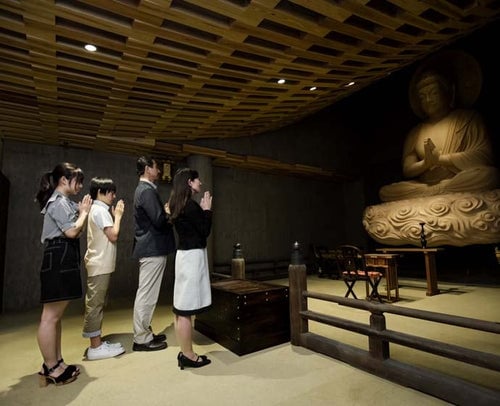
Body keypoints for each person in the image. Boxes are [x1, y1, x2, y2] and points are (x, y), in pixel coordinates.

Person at [379, 62, 499, 202]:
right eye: (423, 97)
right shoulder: (416, 131)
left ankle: (435, 192)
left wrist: (440, 159)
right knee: (387, 191)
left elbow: (483, 156)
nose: (428, 100)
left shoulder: (468, 119)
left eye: (434, 93)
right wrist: (426, 163)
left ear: (450, 92)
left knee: (489, 175)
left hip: (457, 181)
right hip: (425, 185)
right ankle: (435, 192)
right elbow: (407, 169)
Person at [35, 162, 92, 386]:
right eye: (77, 181)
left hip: (63, 255)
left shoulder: (65, 202)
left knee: (55, 316)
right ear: (63, 180)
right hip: (58, 255)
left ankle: (56, 362)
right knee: (50, 316)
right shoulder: (57, 202)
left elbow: (75, 230)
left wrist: (81, 213)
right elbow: (71, 231)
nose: (80, 186)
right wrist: (84, 213)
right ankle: (50, 367)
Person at [168, 168, 213, 370]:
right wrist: (207, 211)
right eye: (197, 180)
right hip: (193, 257)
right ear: (189, 182)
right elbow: (204, 231)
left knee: (180, 308)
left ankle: (185, 351)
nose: (200, 183)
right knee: (185, 310)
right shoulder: (191, 206)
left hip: (183, 257)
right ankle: (188, 354)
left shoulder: (176, 204)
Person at [132, 156, 175, 351]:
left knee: (148, 293)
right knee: (147, 294)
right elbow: (158, 220)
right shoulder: (147, 191)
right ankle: (141, 338)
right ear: (148, 168)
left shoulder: (145, 190)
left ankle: (145, 332)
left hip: (151, 247)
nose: (159, 171)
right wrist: (167, 212)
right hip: (152, 247)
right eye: (157, 167)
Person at [82, 177, 126, 360]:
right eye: (111, 192)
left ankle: (97, 342)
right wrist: (118, 216)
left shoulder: (98, 210)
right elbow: (114, 235)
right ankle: (95, 347)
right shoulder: (100, 211)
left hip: (100, 264)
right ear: (100, 192)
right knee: (95, 305)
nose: (113, 196)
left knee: (98, 303)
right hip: (99, 264)